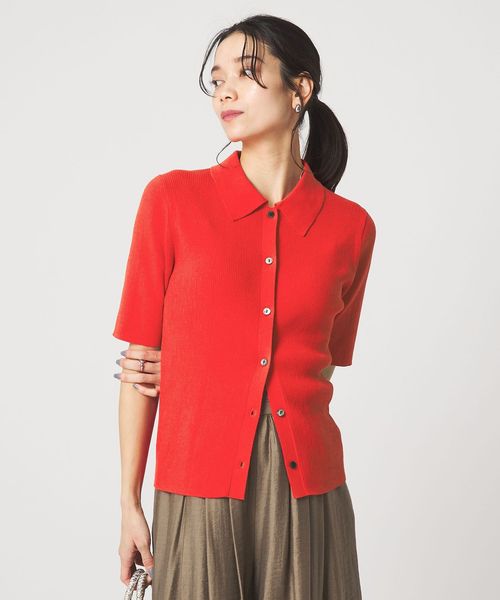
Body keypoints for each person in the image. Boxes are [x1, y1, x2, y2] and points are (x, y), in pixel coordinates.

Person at [113, 14, 376, 600]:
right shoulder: (171, 200)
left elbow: (321, 364)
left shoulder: (351, 228)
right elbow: (140, 365)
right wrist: (129, 502)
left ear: (300, 89)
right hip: (196, 481)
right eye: (217, 79)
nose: (225, 91)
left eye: (247, 73)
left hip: (309, 491)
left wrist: (209, 368)